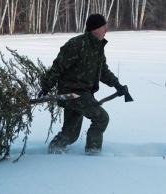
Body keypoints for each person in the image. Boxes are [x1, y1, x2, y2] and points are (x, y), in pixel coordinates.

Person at [38, 13, 129, 155]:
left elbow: (102, 71)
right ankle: (93, 153)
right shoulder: (76, 44)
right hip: (72, 93)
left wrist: (117, 85)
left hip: (83, 93)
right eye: (104, 26)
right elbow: (58, 67)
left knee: (71, 134)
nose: (107, 30)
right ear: (95, 29)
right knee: (101, 117)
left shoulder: (97, 47)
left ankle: (54, 151)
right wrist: (45, 88)